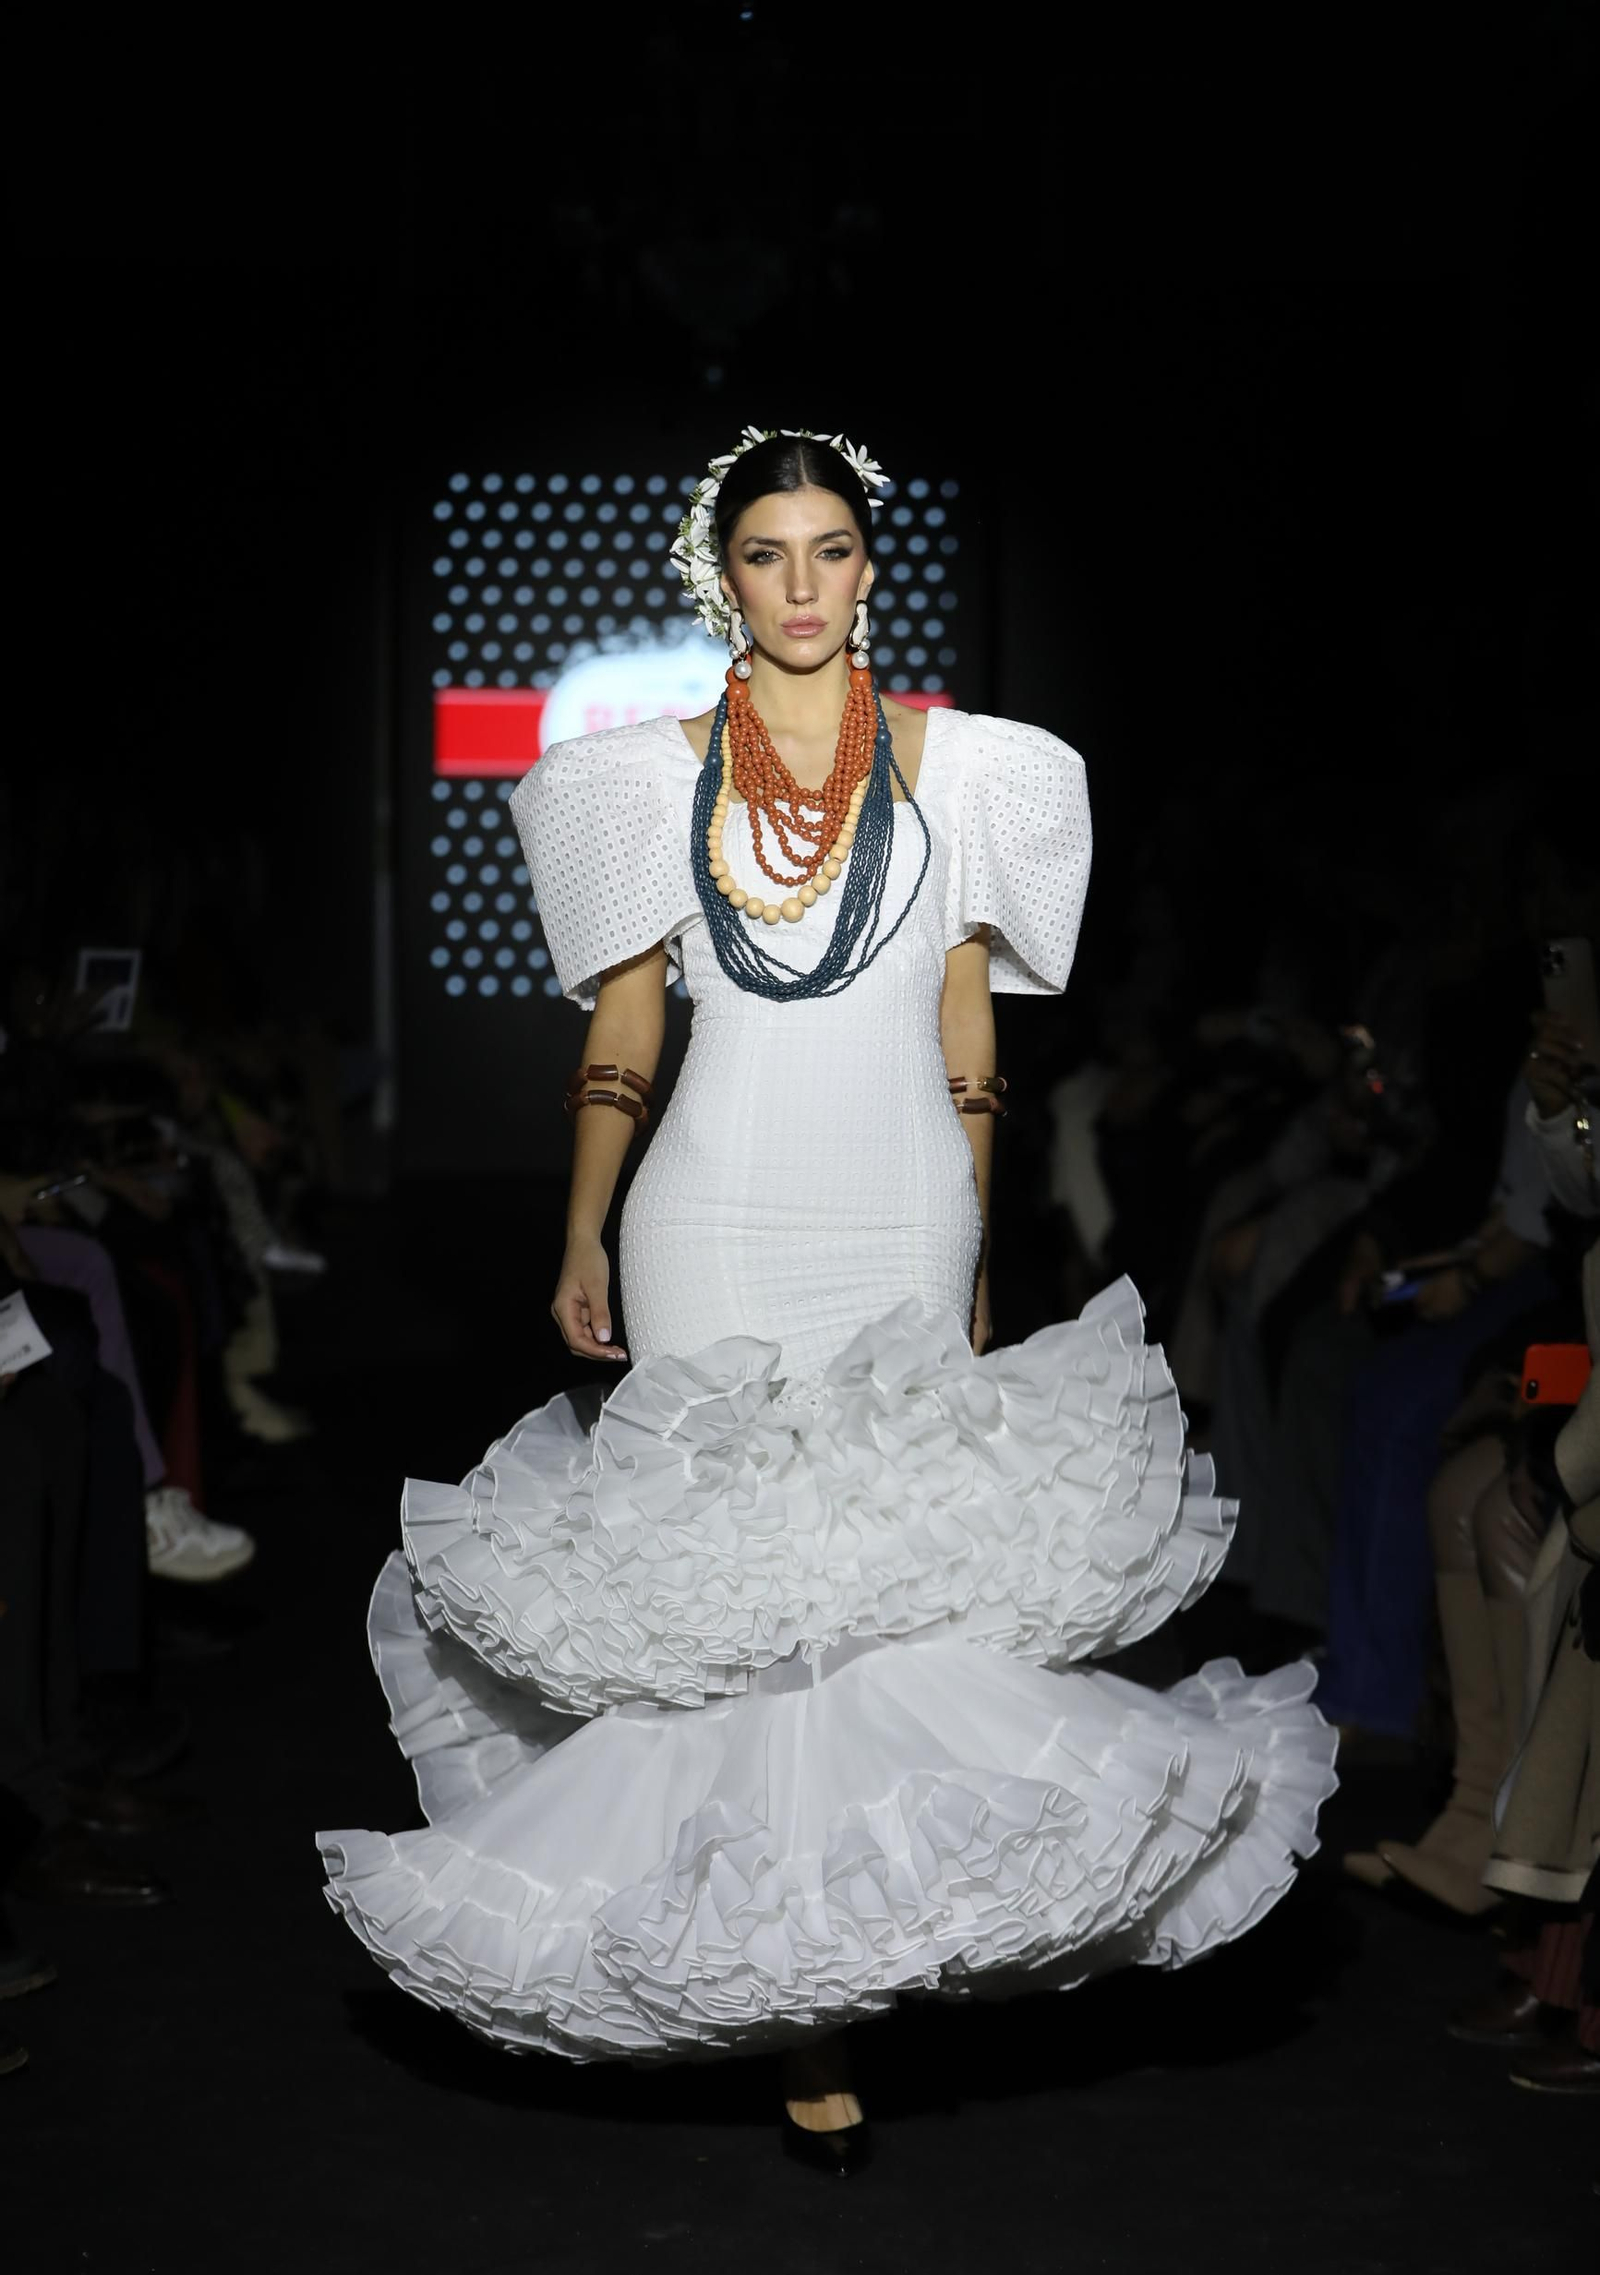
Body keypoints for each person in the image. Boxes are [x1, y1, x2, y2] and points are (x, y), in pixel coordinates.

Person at [319, 431, 1337, 2174]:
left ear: (873, 569)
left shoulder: (976, 776)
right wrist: (584, 1227)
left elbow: (969, 1020)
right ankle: (799, 2011)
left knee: (893, 1602)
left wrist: (973, 1228)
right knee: (742, 1627)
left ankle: (857, 1948)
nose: (804, 584)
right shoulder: (647, 779)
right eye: (770, 554)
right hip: (710, 1209)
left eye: (834, 550)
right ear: (726, 576)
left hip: (893, 1213)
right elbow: (627, 1023)